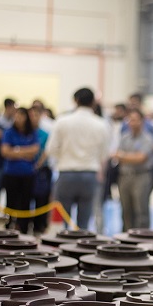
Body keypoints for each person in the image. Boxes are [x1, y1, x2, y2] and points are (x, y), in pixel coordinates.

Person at [47, 87, 111, 230]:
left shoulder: (62, 121)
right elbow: (104, 154)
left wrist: (64, 157)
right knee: (83, 223)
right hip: (89, 174)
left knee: (61, 221)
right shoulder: (101, 124)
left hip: (66, 173)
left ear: (75, 100)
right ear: (93, 103)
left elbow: (51, 149)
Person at [113, 108, 153, 230]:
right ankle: (126, 237)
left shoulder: (147, 138)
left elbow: (141, 158)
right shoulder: (125, 137)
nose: (132, 123)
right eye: (130, 120)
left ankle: (142, 237)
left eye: (135, 120)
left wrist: (124, 156)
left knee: (141, 210)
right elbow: (116, 155)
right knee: (126, 209)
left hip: (141, 176)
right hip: (125, 176)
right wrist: (130, 157)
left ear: (142, 121)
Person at [1, 107, 39, 233]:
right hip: (11, 173)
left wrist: (16, 150)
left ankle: (24, 228)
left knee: (26, 202)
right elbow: (5, 152)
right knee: (10, 201)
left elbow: (34, 150)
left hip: (27, 174)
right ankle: (9, 227)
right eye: (16, 116)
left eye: (21, 116)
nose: (18, 119)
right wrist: (24, 152)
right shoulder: (9, 132)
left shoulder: (31, 132)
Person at [29, 106, 51, 235]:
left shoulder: (45, 133)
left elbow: (46, 151)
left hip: (41, 170)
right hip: (26, 170)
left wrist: (38, 164)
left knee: (41, 199)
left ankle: (39, 226)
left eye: (36, 115)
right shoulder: (25, 133)